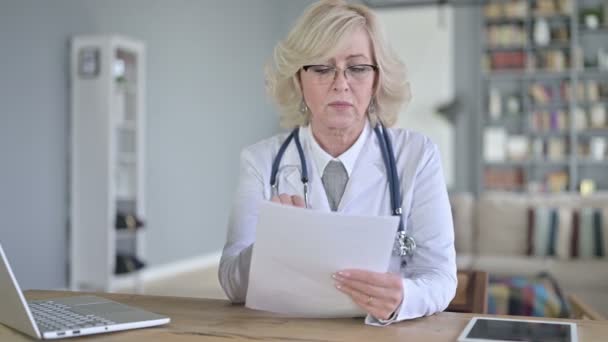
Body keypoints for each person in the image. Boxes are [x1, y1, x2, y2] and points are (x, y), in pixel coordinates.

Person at [218, 0, 456, 325]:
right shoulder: (261, 161)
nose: (341, 83)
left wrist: (404, 297)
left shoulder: (418, 156)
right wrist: (275, 243)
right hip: (288, 331)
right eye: (321, 68)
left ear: (376, 81)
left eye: (357, 68)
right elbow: (231, 281)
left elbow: (440, 277)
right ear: (298, 81)